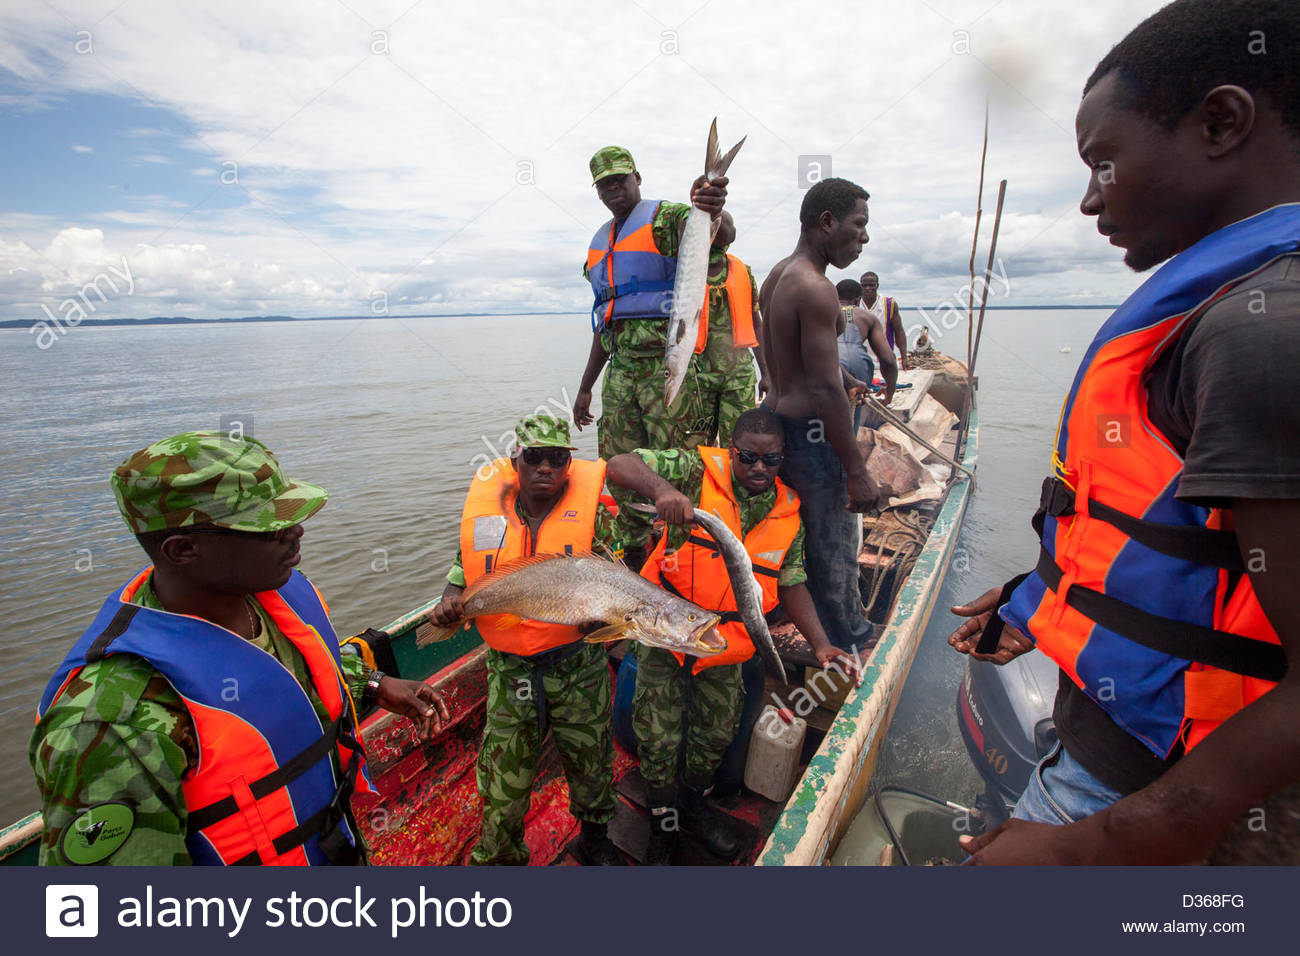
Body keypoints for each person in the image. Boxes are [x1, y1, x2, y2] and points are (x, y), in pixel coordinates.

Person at [949, 0, 1300, 865]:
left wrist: (1085, 850)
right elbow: (1198, 547)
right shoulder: (1224, 311)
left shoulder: (1262, 333)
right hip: (1111, 756)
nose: (1086, 198)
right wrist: (1052, 591)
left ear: (1221, 121)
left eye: (1104, 161)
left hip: (1162, 806)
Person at [30, 432, 448, 866]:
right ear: (184, 549)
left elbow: (291, 670)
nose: (295, 531)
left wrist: (373, 683)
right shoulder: (113, 721)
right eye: (267, 527)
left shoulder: (268, 595)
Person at [606, 408, 859, 863]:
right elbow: (619, 465)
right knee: (658, 740)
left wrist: (820, 643)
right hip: (666, 637)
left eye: (772, 460)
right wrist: (664, 490)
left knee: (711, 741)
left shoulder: (789, 515)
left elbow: (791, 580)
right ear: (731, 451)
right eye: (748, 458)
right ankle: (664, 820)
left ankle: (692, 806)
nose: (760, 469)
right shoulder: (695, 471)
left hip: (725, 649)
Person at [428, 413, 624, 866]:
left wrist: (604, 622)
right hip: (510, 669)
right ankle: (499, 860)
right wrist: (448, 601)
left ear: (568, 465)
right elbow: (460, 575)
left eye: (557, 458)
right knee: (503, 782)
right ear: (516, 459)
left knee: (591, 761)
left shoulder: (595, 515)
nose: (546, 469)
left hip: (577, 664)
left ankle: (594, 839)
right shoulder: (487, 514)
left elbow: (617, 583)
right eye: (535, 457)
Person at [573, 145, 728, 569]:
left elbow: (719, 232)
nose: (612, 190)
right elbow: (605, 325)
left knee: (677, 466)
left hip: (668, 369)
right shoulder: (598, 244)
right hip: (619, 374)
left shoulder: (666, 218)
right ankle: (635, 553)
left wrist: (713, 206)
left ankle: (683, 560)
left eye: (619, 180)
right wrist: (585, 387)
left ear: (637, 178)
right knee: (618, 468)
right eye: (603, 185)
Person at [758, 177, 879, 653]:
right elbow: (825, 389)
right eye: (859, 225)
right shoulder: (818, 288)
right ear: (827, 222)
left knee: (793, 534)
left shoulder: (778, 275)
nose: (864, 237)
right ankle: (849, 641)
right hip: (812, 439)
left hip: (779, 425)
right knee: (833, 545)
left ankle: (790, 619)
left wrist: (846, 382)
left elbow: (788, 362)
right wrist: (856, 471)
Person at [694, 211, 768, 445]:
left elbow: (756, 323)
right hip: (697, 375)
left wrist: (767, 373)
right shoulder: (685, 273)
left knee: (739, 442)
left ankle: (734, 482)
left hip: (738, 374)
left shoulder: (743, 272)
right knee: (696, 445)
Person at [836, 278, 899, 431]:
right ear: (858, 299)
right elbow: (888, 359)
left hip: (829, 360)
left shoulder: (820, 312)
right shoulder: (867, 317)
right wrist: (890, 390)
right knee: (852, 417)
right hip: (859, 364)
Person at [860, 271, 909, 371]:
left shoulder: (889, 304)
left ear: (877, 285)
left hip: (884, 359)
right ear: (860, 285)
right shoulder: (855, 303)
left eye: (871, 285)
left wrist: (904, 357)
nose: (868, 288)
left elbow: (899, 331)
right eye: (864, 285)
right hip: (861, 359)